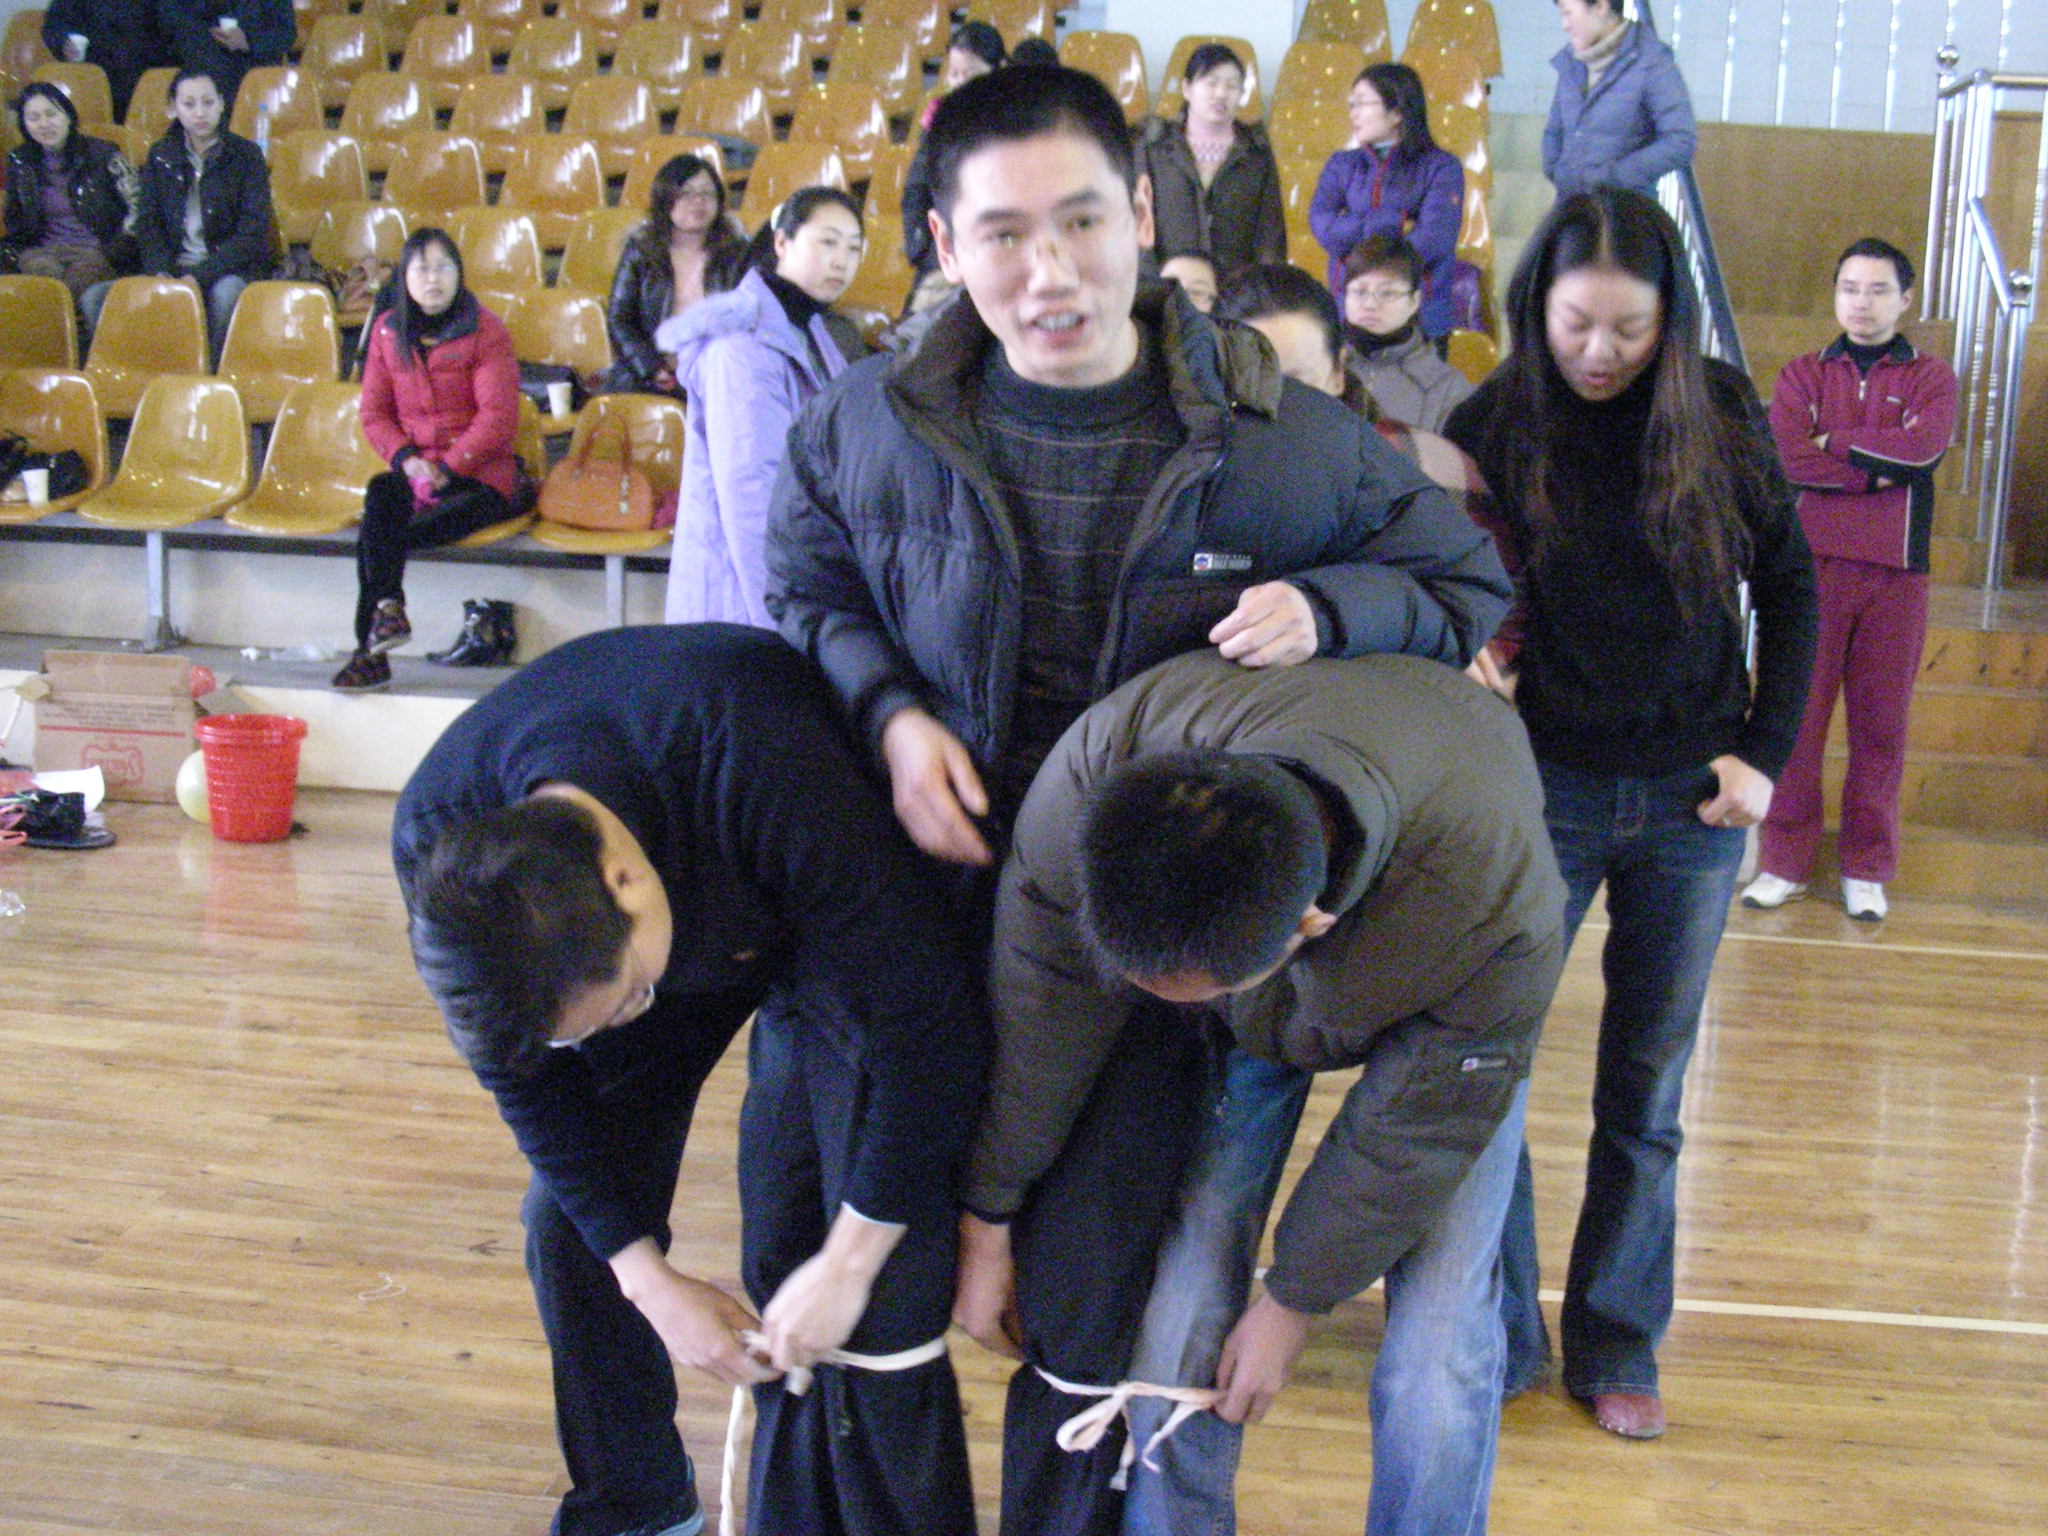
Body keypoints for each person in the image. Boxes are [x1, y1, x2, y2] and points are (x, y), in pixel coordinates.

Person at [765, 63, 1512, 878]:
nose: (1051, 274)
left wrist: (1326, 610)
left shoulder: (1289, 435)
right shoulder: (862, 421)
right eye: (1005, 236)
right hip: (938, 875)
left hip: (1182, 888)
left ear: (1142, 212)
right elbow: (810, 589)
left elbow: (1464, 584)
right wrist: (892, 716)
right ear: (947, 246)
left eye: (1084, 222)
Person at [955, 651, 1566, 1536]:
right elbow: (1041, 1017)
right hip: (1263, 998)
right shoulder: (1093, 782)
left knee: (1441, 1341)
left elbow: (1416, 1136)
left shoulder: (1494, 906)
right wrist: (988, 1214)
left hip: (1447, 1006)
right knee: (1184, 1293)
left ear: (1307, 931)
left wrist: (1294, 1300)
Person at [394, 623, 985, 1536]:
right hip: (647, 944)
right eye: (589, 1029)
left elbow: (930, 1024)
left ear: (625, 880)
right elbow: (528, 1083)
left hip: (800, 912)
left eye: (626, 1003)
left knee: (840, 1231)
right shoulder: (443, 847)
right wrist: (650, 1285)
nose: (622, 1027)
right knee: (572, 1226)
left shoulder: (764, 766)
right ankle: (638, 1508)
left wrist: (848, 1261)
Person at [1442, 188, 1817, 1440]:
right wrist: (1463, 651)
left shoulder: (1715, 412)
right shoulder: (1491, 421)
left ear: (1671, 320)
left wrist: (1764, 753)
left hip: (1688, 803)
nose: (1597, 352)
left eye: (1627, 328)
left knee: (1644, 1093)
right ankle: (1497, 1328)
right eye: (1574, 324)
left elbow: (1792, 587)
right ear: (1534, 307)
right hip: (1535, 789)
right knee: (1485, 1067)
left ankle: (1615, 1340)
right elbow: (1436, 579)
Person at [1745, 238, 1957, 922]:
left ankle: (1866, 869)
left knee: (1881, 727)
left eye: (1877, 289)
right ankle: (1782, 863)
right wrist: (1875, 471)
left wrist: (1831, 443)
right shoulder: (1802, 374)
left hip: (1897, 574)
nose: (1861, 303)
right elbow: (1785, 457)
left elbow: (1922, 450)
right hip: (1809, 569)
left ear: (1905, 298)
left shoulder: (1932, 377)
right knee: (1798, 718)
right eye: (1850, 288)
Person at [659, 187, 863, 628]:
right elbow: (754, 506)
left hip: (792, 586)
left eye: (853, 248)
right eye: (828, 242)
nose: (841, 261)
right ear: (782, 242)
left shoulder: (810, 329)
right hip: (743, 608)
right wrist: (790, 627)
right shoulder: (742, 348)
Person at [334, 227, 525, 693]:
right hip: (419, 471)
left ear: (459, 274)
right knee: (382, 492)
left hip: (482, 477)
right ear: (405, 276)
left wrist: (449, 467)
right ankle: (388, 612)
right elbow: (374, 413)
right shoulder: (387, 332)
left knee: (379, 535)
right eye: (422, 269)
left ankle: (370, 651)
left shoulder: (486, 330)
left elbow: (498, 418)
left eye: (443, 268)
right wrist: (406, 460)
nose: (433, 279)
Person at [1214, 261, 1480, 497]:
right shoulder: (1201, 484)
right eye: (1247, 388)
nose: (1269, 408)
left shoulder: (1426, 472)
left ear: (1337, 373)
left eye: (1294, 385)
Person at [109, 68, 272, 359]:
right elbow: (148, 223)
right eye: (189, 104)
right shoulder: (161, 154)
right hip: (173, 265)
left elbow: (253, 231)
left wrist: (200, 276)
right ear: (174, 108)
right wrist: (161, 271)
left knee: (225, 295)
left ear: (222, 103)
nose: (200, 113)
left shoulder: (247, 156)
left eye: (208, 103)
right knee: (98, 297)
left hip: (227, 267)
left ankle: (212, 369)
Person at [1309, 62, 1464, 339]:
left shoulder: (1442, 167)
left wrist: (1369, 275)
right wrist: (1392, 223)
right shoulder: (1341, 164)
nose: (1353, 113)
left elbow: (1432, 240)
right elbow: (1323, 226)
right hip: (1351, 314)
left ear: (1397, 112)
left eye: (1362, 103)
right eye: (1351, 104)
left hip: (1420, 318)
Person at [1135, 43, 1285, 283]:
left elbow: (1270, 235)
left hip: (1235, 289)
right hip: (1168, 286)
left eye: (1232, 85)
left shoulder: (1256, 153)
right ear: (1187, 89)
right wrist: (1151, 284)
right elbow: (1138, 221)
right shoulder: (1155, 148)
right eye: (1211, 83)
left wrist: (1262, 292)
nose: (1221, 93)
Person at [601, 152, 746, 398]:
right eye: (686, 193)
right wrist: (651, 368)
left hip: (719, 372)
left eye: (707, 193)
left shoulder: (738, 251)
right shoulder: (641, 250)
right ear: (665, 199)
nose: (698, 201)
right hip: (657, 373)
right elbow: (620, 320)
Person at [1544, 0, 1697, 198]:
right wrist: (1557, 172)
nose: (1565, 25)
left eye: (1568, 13)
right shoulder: (1572, 64)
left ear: (1600, 7)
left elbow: (1680, 140)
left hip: (1625, 208)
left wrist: (1614, 179)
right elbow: (1554, 131)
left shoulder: (1652, 62)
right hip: (1572, 205)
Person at [0, 83, 138, 303]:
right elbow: (15, 219)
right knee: (40, 281)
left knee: (75, 284)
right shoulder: (20, 161)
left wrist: (114, 251)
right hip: (44, 251)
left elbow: (138, 207)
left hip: (97, 250)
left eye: (51, 114)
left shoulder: (104, 154)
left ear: (68, 116)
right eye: (34, 118)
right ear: (24, 124)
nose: (44, 124)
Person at [901, 20, 1007, 301]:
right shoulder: (938, 118)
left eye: (968, 74)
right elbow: (917, 188)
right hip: (943, 253)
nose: (959, 83)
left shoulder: (1015, 123)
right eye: (953, 74)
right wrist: (923, 251)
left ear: (998, 70)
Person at [1339, 234, 1474, 432]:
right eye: (1360, 291)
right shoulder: (1323, 365)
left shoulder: (1447, 388)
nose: (1370, 304)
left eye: (1387, 293)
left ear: (1415, 301)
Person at [41, 0, 173, 127]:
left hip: (150, 79)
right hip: (94, 81)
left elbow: (177, 28)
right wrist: (64, 42)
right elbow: (55, 23)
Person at [153, 0, 289, 111]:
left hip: (252, 67)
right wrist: (206, 34)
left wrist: (248, 41)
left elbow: (286, 33)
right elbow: (171, 20)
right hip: (200, 55)